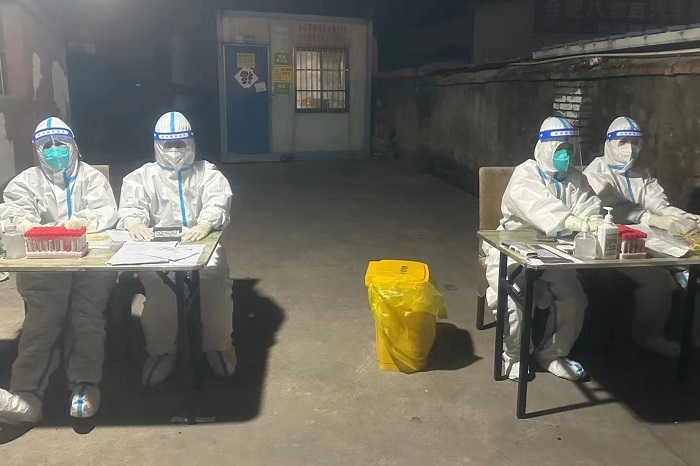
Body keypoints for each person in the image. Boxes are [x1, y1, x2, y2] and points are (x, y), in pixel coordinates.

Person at [0, 117, 118, 424]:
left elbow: (107, 211)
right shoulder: (25, 182)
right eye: (46, 145)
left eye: (60, 144)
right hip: (44, 263)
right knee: (41, 321)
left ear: (73, 145)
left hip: (90, 262)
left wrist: (84, 222)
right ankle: (26, 393)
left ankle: (84, 383)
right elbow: (11, 213)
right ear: (37, 150)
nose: (54, 150)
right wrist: (21, 223)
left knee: (86, 317)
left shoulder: (92, 178)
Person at [118, 111, 235, 387]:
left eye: (180, 143)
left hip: (201, 243)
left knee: (215, 283)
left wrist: (206, 222)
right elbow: (131, 206)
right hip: (156, 247)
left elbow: (218, 201)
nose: (174, 150)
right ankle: (161, 351)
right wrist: (134, 222)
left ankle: (218, 346)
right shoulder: (141, 177)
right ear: (157, 144)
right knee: (161, 291)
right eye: (168, 144)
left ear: (190, 143)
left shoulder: (207, 173)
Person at [485, 117, 602, 381]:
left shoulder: (576, 178)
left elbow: (590, 206)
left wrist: (594, 221)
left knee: (573, 296)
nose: (565, 154)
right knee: (509, 294)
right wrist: (575, 222)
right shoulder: (525, 173)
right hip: (514, 245)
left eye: (569, 148)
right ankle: (515, 356)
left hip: (558, 249)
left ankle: (552, 355)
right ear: (545, 147)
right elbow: (538, 207)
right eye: (560, 148)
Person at [584, 116, 700, 357]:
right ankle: (649, 335)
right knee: (658, 281)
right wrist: (651, 218)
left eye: (635, 142)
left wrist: (682, 217)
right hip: (613, 240)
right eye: (623, 142)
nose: (630, 148)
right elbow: (611, 209)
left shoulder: (641, 173)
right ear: (609, 143)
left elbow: (658, 203)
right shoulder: (596, 172)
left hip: (647, 236)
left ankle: (692, 334)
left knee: (690, 268)